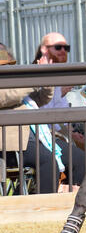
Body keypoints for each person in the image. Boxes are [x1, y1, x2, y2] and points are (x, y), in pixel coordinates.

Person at [0, 43, 57, 194]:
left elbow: (42, 98)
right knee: (49, 163)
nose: (5, 70)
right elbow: (9, 96)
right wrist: (36, 78)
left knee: (76, 157)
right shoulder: (10, 88)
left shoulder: (11, 83)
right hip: (10, 146)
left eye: (8, 65)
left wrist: (46, 75)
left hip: (32, 138)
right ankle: (44, 206)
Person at [33, 32, 86, 189]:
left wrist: (71, 133)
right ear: (44, 49)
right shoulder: (34, 74)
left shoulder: (58, 76)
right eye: (58, 47)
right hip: (38, 137)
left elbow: (61, 117)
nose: (63, 51)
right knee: (79, 158)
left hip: (53, 135)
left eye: (66, 47)